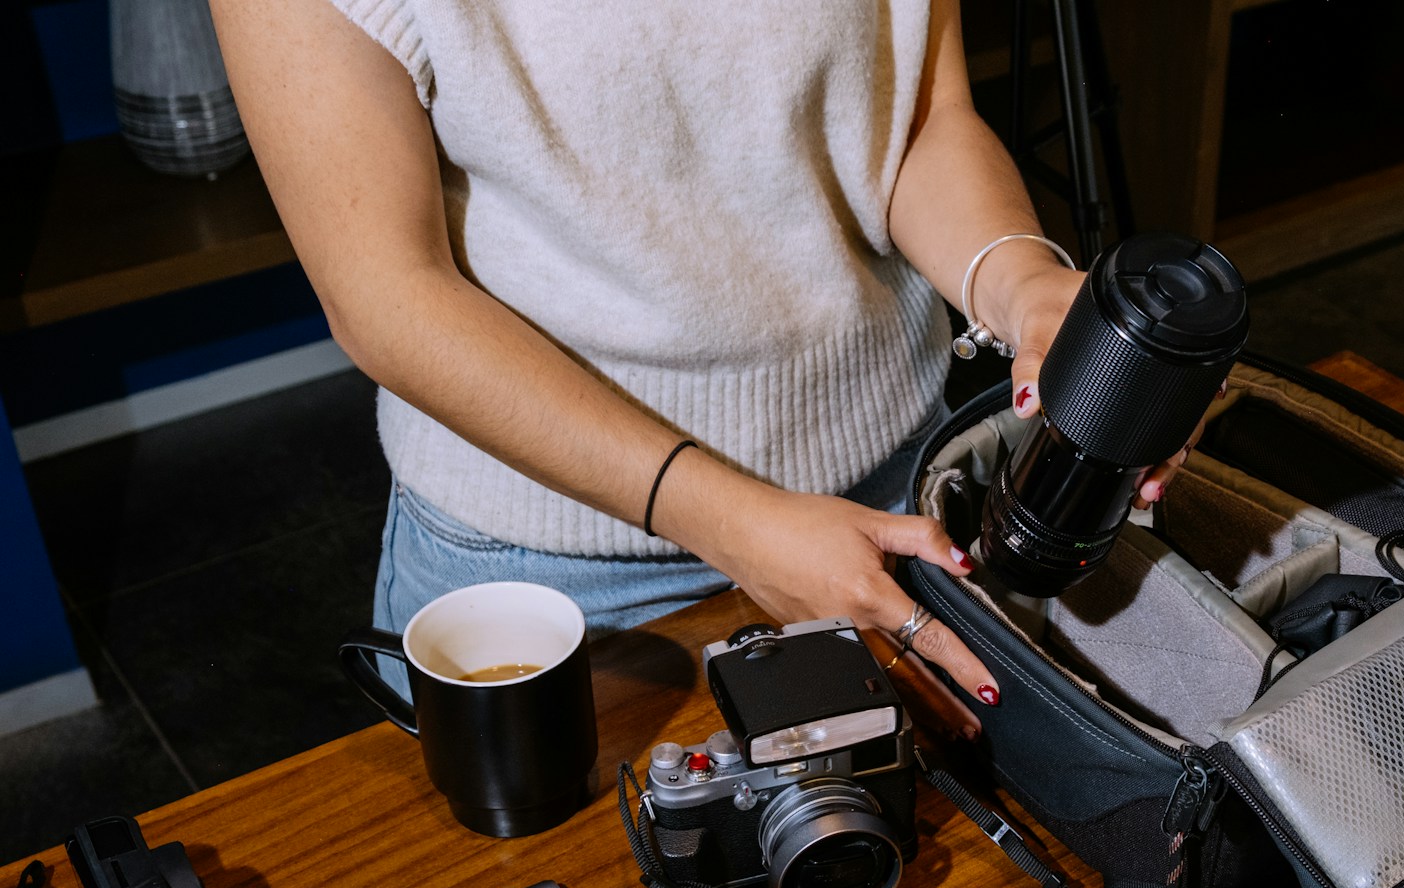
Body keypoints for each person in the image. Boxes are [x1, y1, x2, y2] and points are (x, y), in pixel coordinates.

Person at [210, 0, 1187, 707]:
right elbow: (388, 297)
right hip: (553, 577)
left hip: (893, 491)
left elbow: (919, 119)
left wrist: (1022, 285)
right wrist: (737, 521)